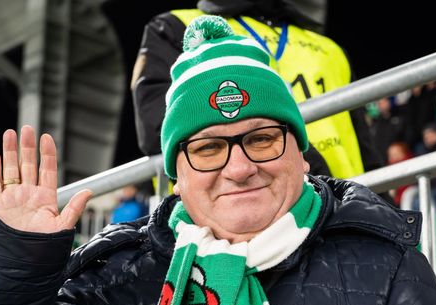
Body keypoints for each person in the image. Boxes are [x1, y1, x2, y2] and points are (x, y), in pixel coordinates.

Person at [0, 16, 436, 305]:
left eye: (262, 138)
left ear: (301, 153)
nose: (240, 167)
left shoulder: (385, 266)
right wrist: (14, 265)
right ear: (176, 174)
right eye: (208, 148)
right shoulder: (107, 277)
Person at [131, 0, 383, 179]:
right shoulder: (180, 27)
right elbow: (160, 129)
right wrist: (305, 163)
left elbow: (364, 144)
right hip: (239, 209)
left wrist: (381, 203)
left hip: (343, 209)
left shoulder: (330, 48)